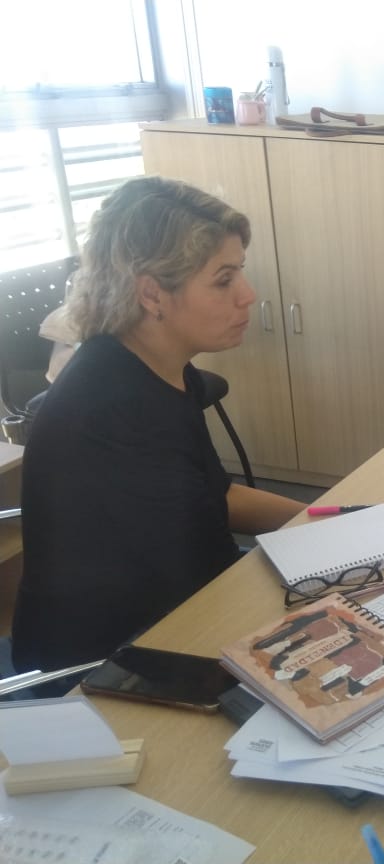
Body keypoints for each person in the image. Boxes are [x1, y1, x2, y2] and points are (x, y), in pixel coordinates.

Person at [12, 176, 304, 676]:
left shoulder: (160, 367)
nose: (248, 295)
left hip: (171, 614)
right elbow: (193, 594)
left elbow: (212, 496)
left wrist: (326, 519)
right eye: (223, 280)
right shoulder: (114, 410)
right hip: (104, 668)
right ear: (152, 294)